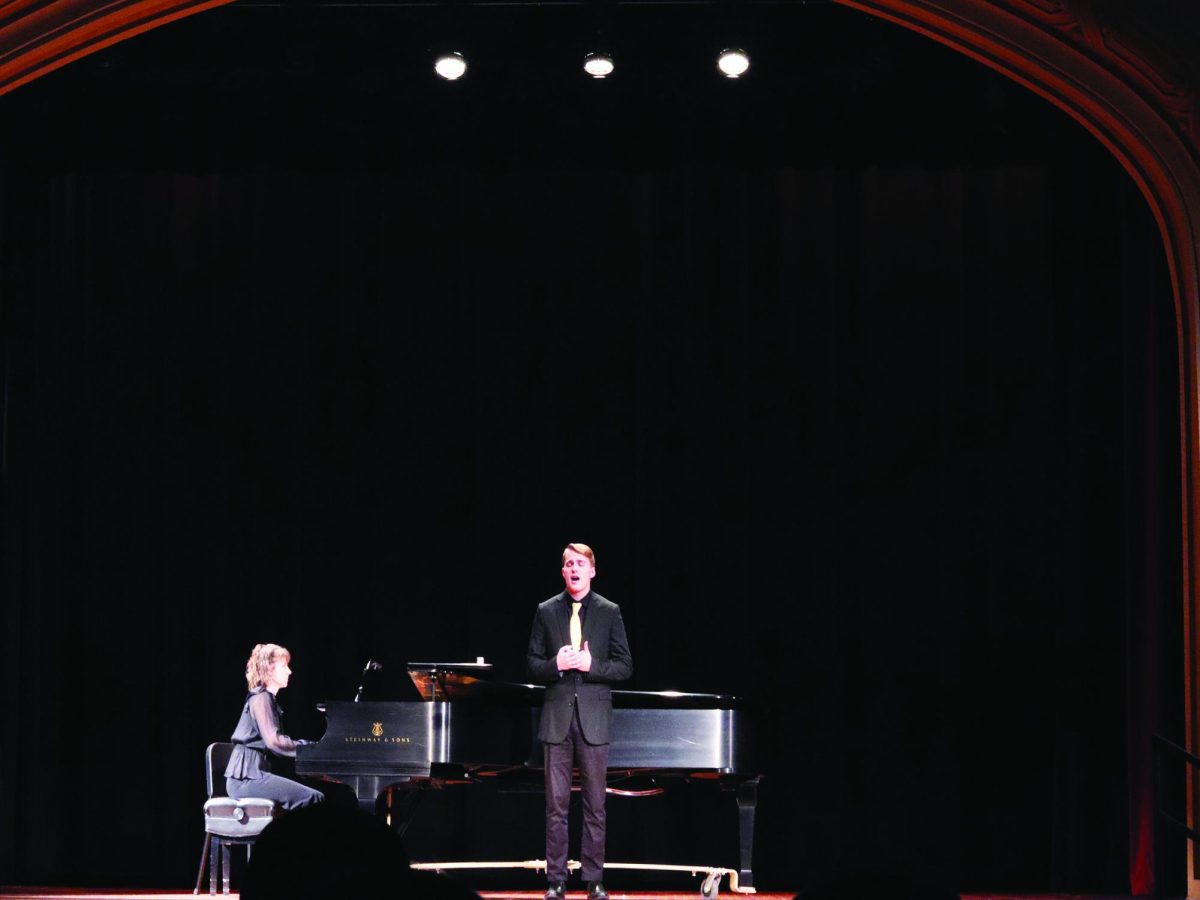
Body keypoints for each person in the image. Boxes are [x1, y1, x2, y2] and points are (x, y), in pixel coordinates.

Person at [526, 543, 633, 900]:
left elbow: (624, 666)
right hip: (557, 719)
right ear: (563, 572)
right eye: (568, 564)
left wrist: (591, 666)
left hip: (594, 719)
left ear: (592, 571)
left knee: (595, 804)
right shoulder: (546, 611)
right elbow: (532, 664)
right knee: (556, 805)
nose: (574, 569)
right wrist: (556, 662)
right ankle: (556, 880)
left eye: (580, 563)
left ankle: (594, 879)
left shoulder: (609, 611)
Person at [225, 642, 324, 809]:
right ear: (269, 669)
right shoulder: (262, 698)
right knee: (313, 798)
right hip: (245, 779)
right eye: (284, 666)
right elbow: (275, 742)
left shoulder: (266, 698)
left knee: (313, 795)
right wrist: (309, 748)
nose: (289, 671)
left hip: (253, 774)